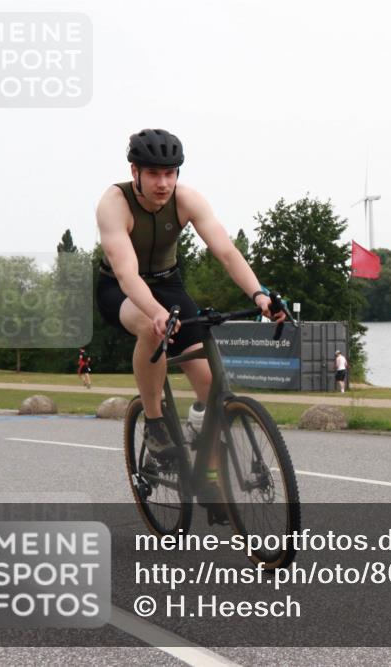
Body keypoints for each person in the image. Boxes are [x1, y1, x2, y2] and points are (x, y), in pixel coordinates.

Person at [95, 128, 286, 475]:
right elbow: (127, 275)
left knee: (212, 388)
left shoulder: (188, 200)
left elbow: (226, 252)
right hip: (120, 290)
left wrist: (259, 294)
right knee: (153, 332)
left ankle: (210, 477)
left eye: (170, 173)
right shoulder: (114, 204)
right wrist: (155, 313)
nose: (163, 183)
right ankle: (154, 423)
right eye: (153, 173)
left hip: (169, 284)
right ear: (134, 172)